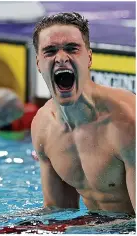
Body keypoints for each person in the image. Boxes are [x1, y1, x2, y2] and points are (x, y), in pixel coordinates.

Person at [31, 12, 135, 215]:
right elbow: (57, 213)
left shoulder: (127, 121)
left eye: (72, 48)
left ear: (88, 57)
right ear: (38, 64)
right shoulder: (43, 126)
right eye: (50, 51)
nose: (61, 58)